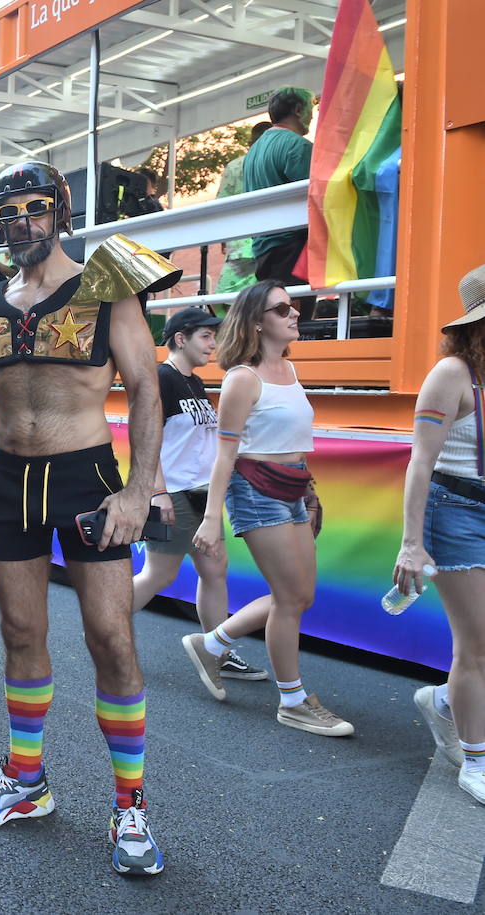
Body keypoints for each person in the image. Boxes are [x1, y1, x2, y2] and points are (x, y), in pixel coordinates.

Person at [0, 161, 180, 876]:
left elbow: (144, 389)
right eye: (10, 213)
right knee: (19, 632)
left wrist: (138, 491)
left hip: (86, 478)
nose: (23, 224)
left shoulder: (108, 284)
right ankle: (26, 780)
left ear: (60, 213)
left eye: (36, 210)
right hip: (10, 480)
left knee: (110, 634)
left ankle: (129, 802)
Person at [190, 281, 350, 736]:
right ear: (257, 321)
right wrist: (210, 518)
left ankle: (213, 643)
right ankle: (293, 700)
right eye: (282, 309)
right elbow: (224, 455)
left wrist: (310, 490)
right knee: (290, 597)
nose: (294, 314)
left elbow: (294, 443)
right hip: (256, 491)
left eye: (294, 307)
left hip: (294, 488)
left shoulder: (290, 371)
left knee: (299, 596)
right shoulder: (243, 378)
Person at [133, 308, 268, 682]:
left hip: (201, 494)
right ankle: (104, 631)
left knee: (214, 571)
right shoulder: (162, 379)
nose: (214, 344)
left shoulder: (194, 382)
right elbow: (145, 441)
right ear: (181, 338)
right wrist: (157, 494)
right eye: (206, 336)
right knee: (158, 576)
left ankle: (217, 651)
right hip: (172, 494)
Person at [394, 263, 485, 803]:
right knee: (475, 644)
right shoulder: (451, 374)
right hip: (455, 511)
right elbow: (420, 463)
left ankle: (447, 703)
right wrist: (412, 541)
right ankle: (475, 759)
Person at [246, 88, 316, 293]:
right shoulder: (298, 146)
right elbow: (315, 197)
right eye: (311, 108)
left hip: (262, 246)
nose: (312, 115)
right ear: (297, 110)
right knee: (293, 317)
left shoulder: (254, 151)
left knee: (271, 313)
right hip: (292, 248)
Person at [215, 122, 273, 296]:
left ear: (250, 144)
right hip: (273, 243)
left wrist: (224, 237)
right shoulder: (274, 163)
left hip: (241, 244)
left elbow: (221, 206)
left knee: (225, 298)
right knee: (266, 298)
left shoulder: (235, 166)